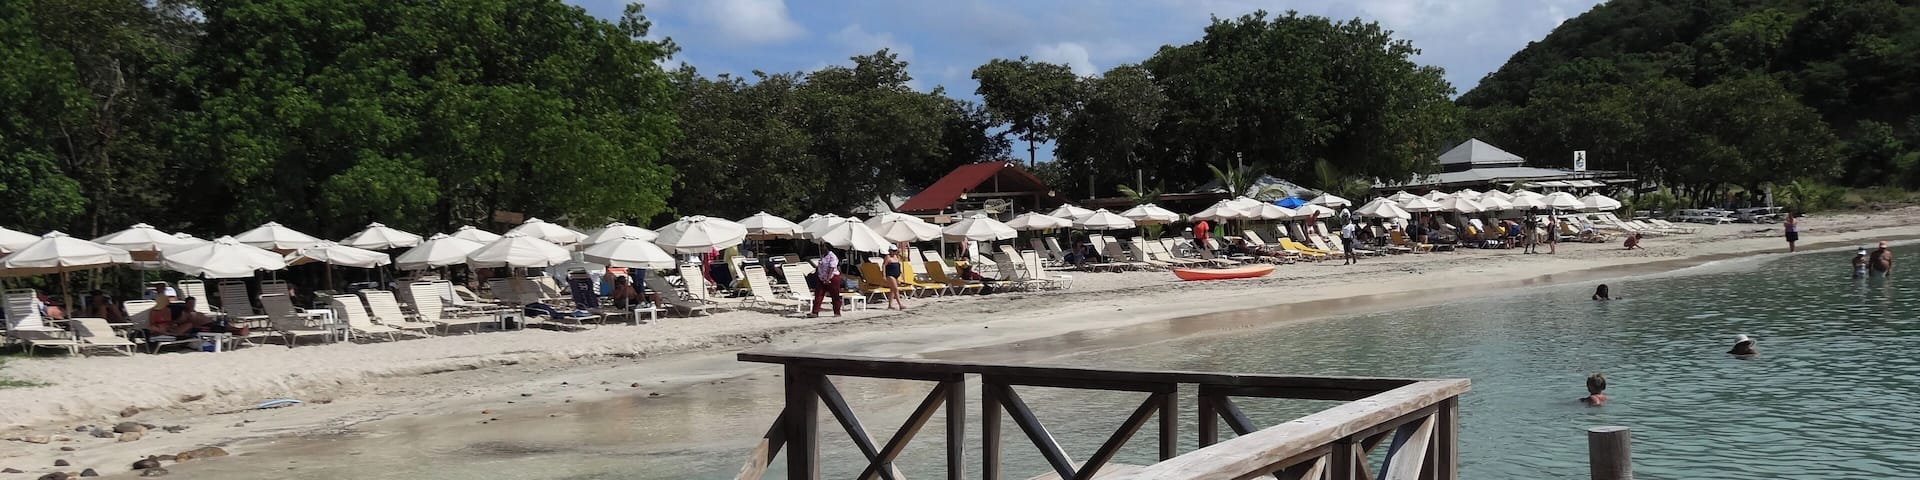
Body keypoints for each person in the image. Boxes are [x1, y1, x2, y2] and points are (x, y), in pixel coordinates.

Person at [809, 249, 843, 318]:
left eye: (823, 246)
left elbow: (832, 267)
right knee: (818, 294)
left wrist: (828, 278)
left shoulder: (832, 256)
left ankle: (837, 312)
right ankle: (815, 312)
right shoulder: (822, 256)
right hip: (821, 278)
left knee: (834, 295)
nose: (821, 248)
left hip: (832, 278)